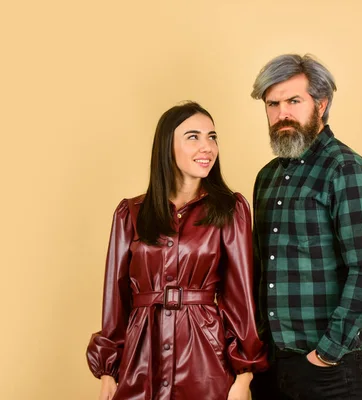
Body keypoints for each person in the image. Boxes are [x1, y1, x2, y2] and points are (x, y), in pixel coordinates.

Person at [87, 101, 267, 400]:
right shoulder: (130, 213)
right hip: (141, 359)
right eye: (193, 137)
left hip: (206, 360)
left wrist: (244, 374)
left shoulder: (229, 210)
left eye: (212, 137)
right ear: (166, 146)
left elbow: (240, 297)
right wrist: (108, 370)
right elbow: (116, 300)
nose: (207, 147)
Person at [248, 54, 362, 400]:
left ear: (321, 104)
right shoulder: (266, 178)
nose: (282, 114)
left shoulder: (347, 170)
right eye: (273, 104)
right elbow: (259, 271)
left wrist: (325, 354)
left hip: (330, 369)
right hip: (272, 365)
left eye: (294, 101)